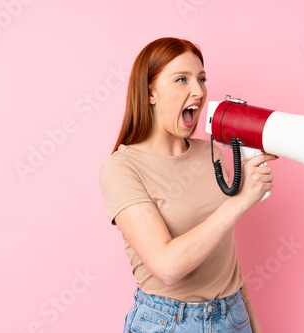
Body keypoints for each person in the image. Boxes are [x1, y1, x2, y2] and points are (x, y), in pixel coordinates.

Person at [99, 37, 276, 333]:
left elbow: (226, 261)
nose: (199, 91)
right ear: (150, 92)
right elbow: (167, 267)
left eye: (202, 79)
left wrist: (253, 325)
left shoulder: (212, 153)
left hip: (232, 315)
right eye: (182, 79)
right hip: (169, 322)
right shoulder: (121, 169)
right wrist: (241, 200)